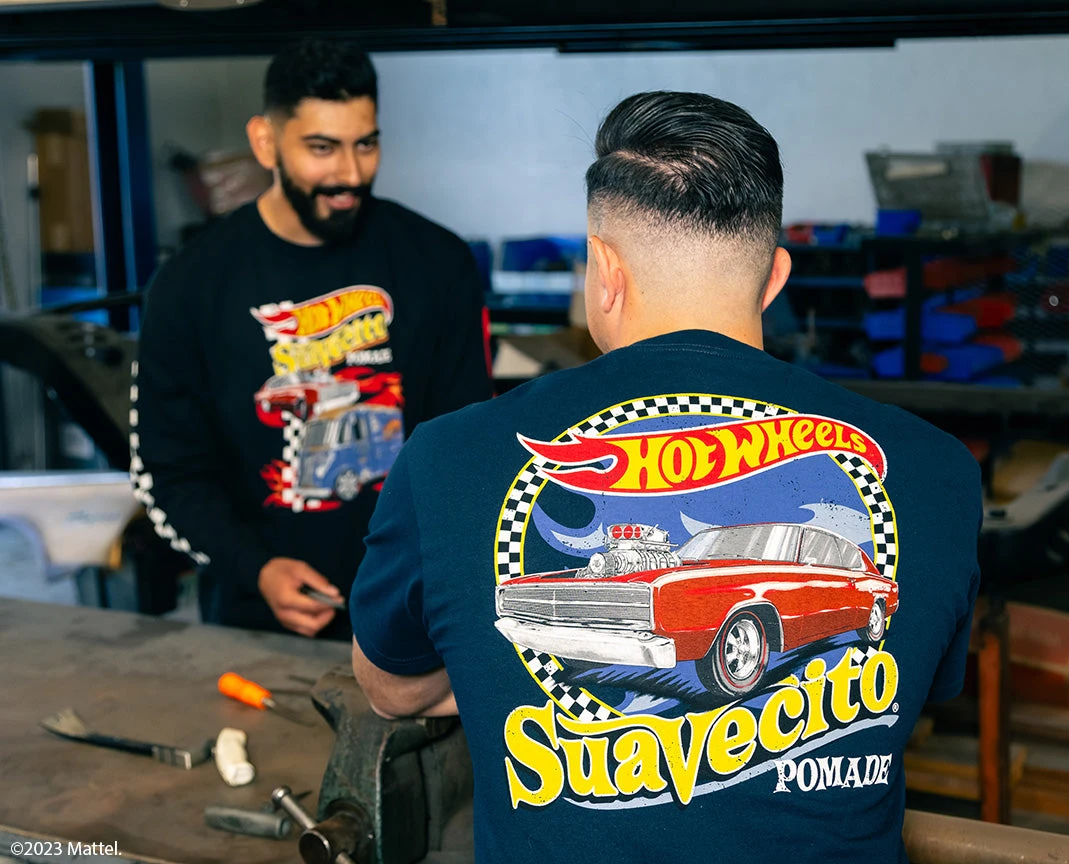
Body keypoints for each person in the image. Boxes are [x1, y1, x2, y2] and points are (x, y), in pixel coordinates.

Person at [349, 91, 982, 862]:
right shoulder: (941, 472)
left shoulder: (445, 458)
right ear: (775, 277)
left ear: (602, 271)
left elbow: (390, 687)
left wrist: (487, 676)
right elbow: (916, 689)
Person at [131, 40, 491, 641]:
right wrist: (256, 569)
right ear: (266, 142)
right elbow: (167, 472)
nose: (348, 174)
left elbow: (467, 445)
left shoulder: (438, 262)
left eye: (365, 144)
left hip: (418, 612)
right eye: (322, 148)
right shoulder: (189, 284)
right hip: (256, 623)